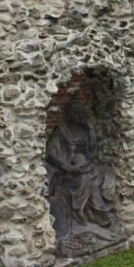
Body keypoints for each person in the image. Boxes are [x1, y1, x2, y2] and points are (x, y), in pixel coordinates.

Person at [45, 103, 117, 242]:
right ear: (71, 116)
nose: (81, 118)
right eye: (77, 115)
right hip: (66, 172)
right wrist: (66, 167)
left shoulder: (85, 132)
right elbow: (50, 154)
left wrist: (91, 130)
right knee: (86, 181)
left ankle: (101, 214)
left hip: (84, 166)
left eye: (82, 115)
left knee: (107, 174)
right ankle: (86, 214)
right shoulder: (62, 132)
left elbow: (91, 151)